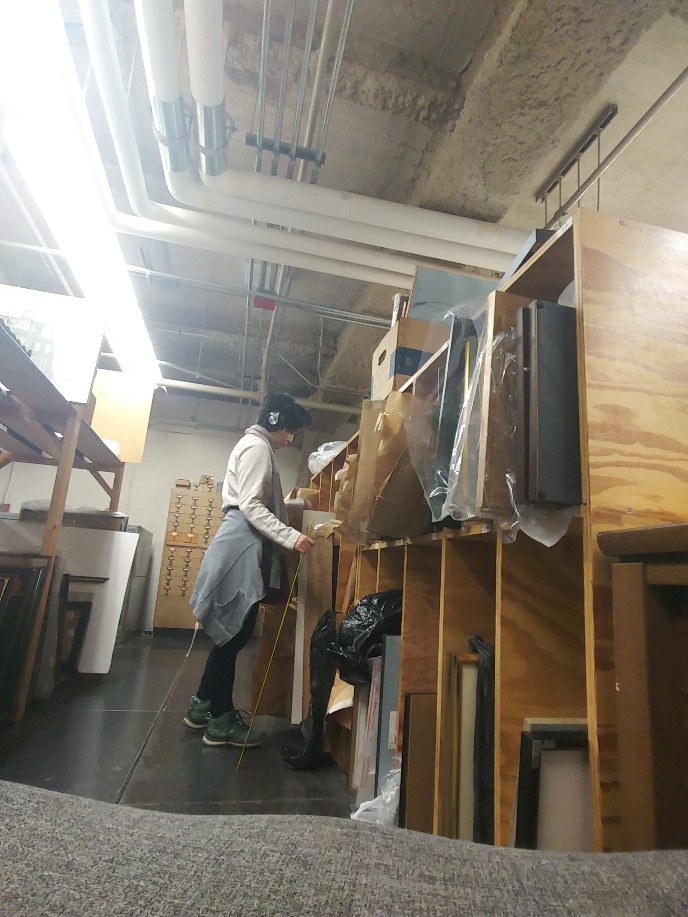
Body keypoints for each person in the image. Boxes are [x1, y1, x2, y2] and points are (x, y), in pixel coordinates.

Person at [183, 392, 315, 748]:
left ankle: (201, 706)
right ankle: (221, 722)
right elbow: (252, 505)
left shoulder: (254, 446)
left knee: (231, 635)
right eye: (290, 430)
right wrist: (291, 537)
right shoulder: (257, 448)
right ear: (275, 422)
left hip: (239, 540)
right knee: (233, 636)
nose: (291, 438)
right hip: (242, 542)